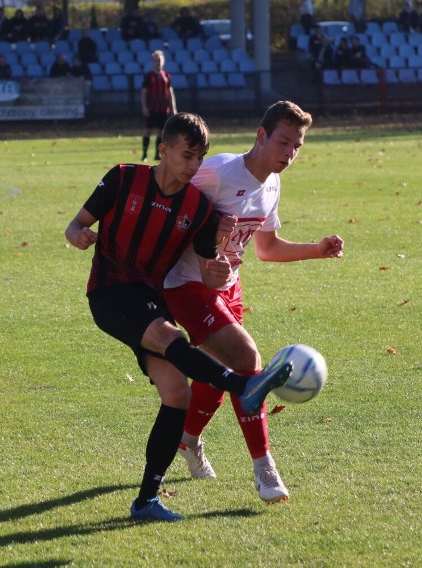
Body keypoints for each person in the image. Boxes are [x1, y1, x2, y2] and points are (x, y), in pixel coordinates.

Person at [64, 112, 293, 521]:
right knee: (173, 341)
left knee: (177, 394)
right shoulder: (122, 178)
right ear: (164, 150)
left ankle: (146, 500)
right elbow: (75, 224)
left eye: (198, 158)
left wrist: (218, 268)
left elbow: (208, 267)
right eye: (186, 156)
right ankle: (244, 384)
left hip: (152, 299)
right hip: (111, 292)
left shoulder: (198, 206)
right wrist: (79, 235)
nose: (192, 166)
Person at [162, 101, 344, 503]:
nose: (289, 153)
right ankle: (265, 469)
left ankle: (188, 441)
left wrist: (317, 249)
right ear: (261, 136)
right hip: (185, 283)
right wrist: (207, 233)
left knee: (220, 371)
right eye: (283, 141)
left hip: (228, 287)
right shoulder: (220, 170)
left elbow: (267, 248)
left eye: (297, 145)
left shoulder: (273, 184)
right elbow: (168, 198)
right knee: (247, 359)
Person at [140, 50, 177, 162]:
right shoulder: (148, 76)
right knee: (147, 131)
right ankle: (145, 154)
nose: (158, 63)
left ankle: (157, 154)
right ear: (152, 62)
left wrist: (173, 107)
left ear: (163, 61)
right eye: (155, 61)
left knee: (161, 133)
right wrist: (144, 107)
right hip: (152, 108)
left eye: (159, 60)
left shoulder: (167, 76)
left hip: (163, 109)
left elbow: (170, 93)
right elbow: (143, 93)